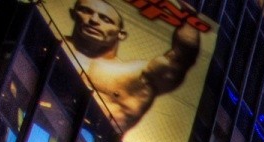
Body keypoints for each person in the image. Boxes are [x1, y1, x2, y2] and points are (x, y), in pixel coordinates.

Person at [57, 0, 203, 133]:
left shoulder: (137, 75)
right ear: (73, 14)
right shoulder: (49, 40)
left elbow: (181, 58)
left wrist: (189, 17)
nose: (94, 20)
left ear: (121, 34)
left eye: (105, 19)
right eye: (86, 11)